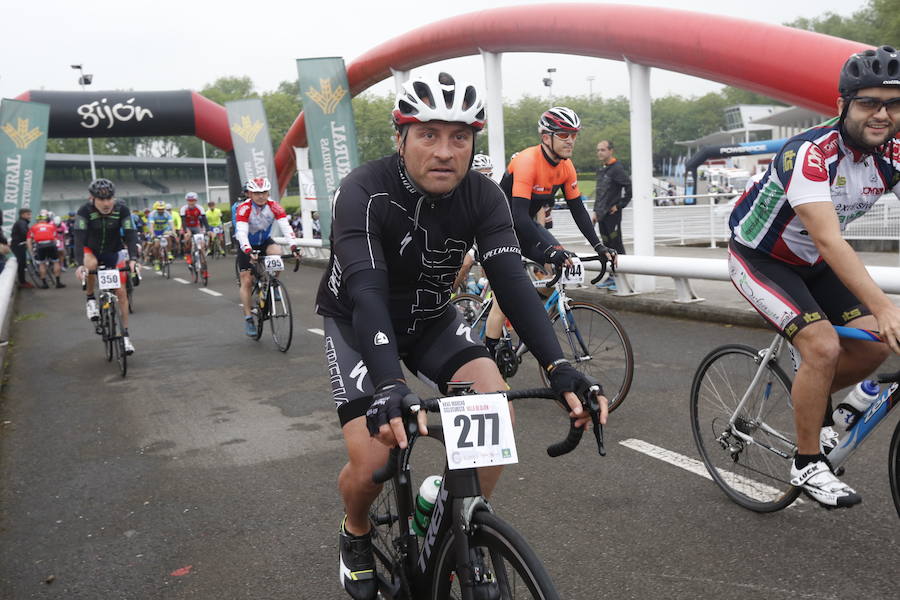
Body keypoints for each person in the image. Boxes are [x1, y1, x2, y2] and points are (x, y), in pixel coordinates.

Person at [316, 72, 608, 600]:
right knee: (375, 459)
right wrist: (387, 384)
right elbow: (366, 292)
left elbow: (510, 280)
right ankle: (355, 531)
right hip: (360, 322)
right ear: (400, 138)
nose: (446, 151)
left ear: (474, 143)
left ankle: (457, 533)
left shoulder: (482, 196)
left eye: (460, 137)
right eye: (429, 134)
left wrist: (558, 366)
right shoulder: (361, 190)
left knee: (496, 410)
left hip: (429, 319)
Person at [728, 45, 900, 509]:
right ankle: (805, 463)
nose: (881, 115)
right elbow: (829, 241)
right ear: (841, 105)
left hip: (813, 264)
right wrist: (884, 305)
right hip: (760, 258)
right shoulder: (810, 153)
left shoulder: (895, 152)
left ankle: (829, 400)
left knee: (878, 343)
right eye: (868, 103)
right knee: (822, 346)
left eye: (893, 103)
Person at [482, 106, 613, 357]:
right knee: (505, 298)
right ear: (546, 137)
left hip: (522, 225)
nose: (571, 140)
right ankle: (488, 360)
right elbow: (518, 216)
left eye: (574, 134)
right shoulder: (527, 161)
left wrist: (599, 246)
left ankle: (529, 315)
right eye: (564, 134)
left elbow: (579, 212)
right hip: (498, 228)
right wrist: (548, 248)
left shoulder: (566, 167)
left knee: (560, 262)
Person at [74, 178, 139, 355]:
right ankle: (90, 300)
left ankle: (125, 337)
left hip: (113, 252)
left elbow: (131, 235)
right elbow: (78, 239)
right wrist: (80, 265)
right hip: (90, 250)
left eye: (109, 198)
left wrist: (133, 259)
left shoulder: (122, 209)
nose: (106, 203)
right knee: (92, 264)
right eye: (101, 199)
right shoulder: (84, 211)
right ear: (92, 198)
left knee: (121, 292)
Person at [234, 177, 298, 336]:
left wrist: (294, 246)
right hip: (247, 243)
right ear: (250, 193)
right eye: (256, 193)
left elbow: (286, 227)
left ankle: (273, 283)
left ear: (268, 192)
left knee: (277, 253)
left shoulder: (274, 206)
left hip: (264, 242)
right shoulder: (244, 208)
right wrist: (248, 250)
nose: (261, 196)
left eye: (263, 192)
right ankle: (248, 318)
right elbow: (241, 233)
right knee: (247, 280)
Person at [593, 140, 632, 291]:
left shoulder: (617, 169)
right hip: (601, 215)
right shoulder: (602, 169)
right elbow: (600, 192)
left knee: (616, 245)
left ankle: (620, 278)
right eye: (598, 150)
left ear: (610, 151)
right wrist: (596, 211)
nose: (599, 153)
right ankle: (611, 277)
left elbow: (629, 188)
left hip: (613, 215)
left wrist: (620, 205)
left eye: (602, 150)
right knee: (606, 246)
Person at [26, 211, 65, 288]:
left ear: (37, 220)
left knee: (41, 264)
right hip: (51, 245)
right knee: (56, 262)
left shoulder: (33, 228)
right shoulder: (51, 226)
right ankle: (58, 283)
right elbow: (56, 238)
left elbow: (29, 240)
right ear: (46, 219)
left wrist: (31, 251)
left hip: (40, 246)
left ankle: (44, 284)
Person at [180, 192, 209, 278]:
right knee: (187, 238)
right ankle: (188, 255)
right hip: (187, 226)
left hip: (196, 226)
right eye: (189, 201)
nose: (191, 202)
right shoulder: (183, 209)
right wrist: (186, 232)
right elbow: (183, 222)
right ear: (187, 201)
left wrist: (207, 230)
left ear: (196, 201)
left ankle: (204, 267)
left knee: (202, 245)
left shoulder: (200, 208)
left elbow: (204, 221)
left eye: (193, 200)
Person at [147, 201, 176, 270]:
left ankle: (169, 253)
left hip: (165, 229)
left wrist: (173, 232)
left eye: (162, 209)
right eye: (159, 209)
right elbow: (151, 226)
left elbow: (172, 224)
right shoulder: (152, 214)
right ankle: (156, 261)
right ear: (156, 209)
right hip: (155, 230)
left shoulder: (167, 214)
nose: (161, 210)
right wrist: (153, 234)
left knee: (168, 237)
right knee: (156, 246)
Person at [10, 208, 33, 288]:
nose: (30, 216)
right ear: (22, 215)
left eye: (30, 214)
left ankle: (22, 281)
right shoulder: (21, 223)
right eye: (28, 214)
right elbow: (25, 233)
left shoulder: (22, 222)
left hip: (18, 245)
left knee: (22, 263)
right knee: (21, 264)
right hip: (18, 245)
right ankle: (22, 282)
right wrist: (31, 238)